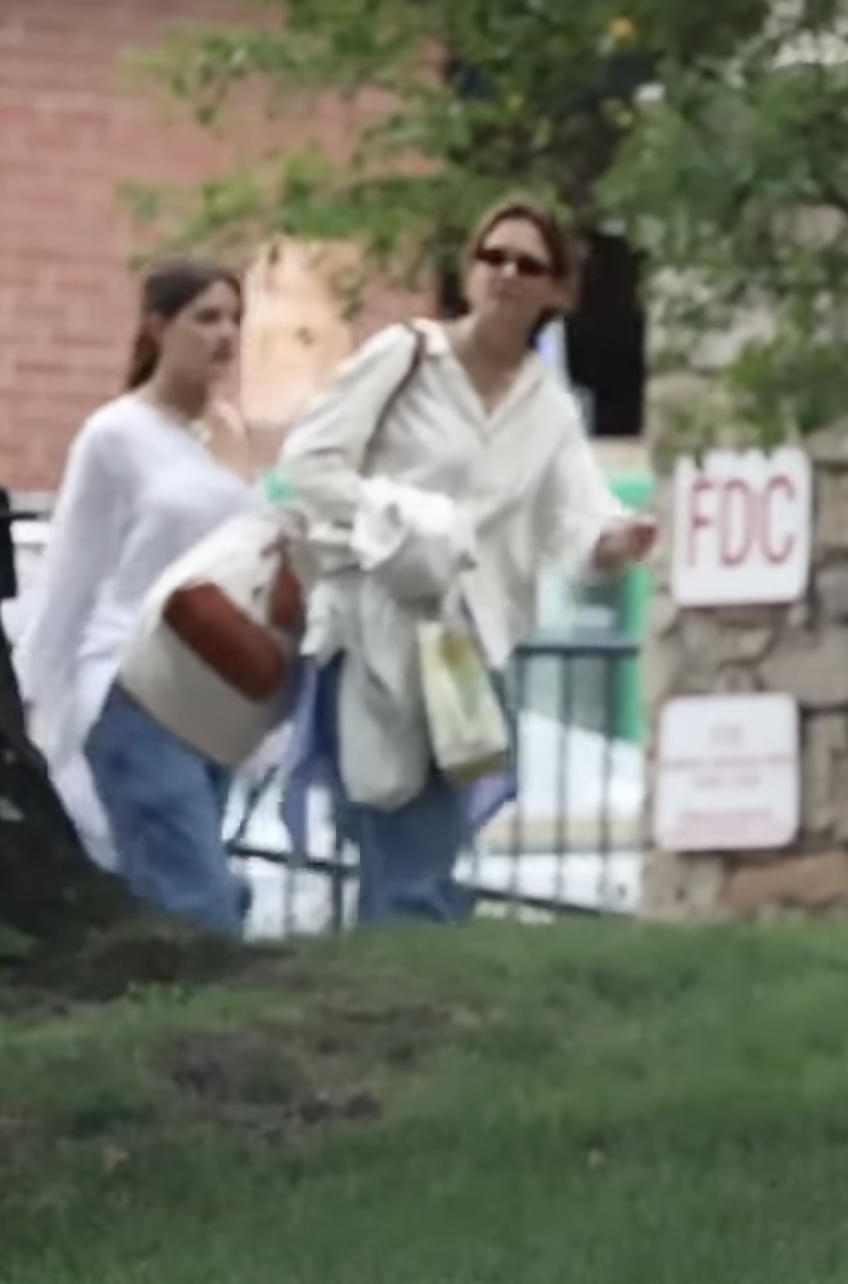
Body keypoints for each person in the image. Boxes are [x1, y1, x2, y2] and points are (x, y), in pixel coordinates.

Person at [276, 193, 657, 928]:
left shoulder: (548, 408)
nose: (506, 274)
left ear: (558, 289)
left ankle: (393, 987)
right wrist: (400, 524)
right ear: (469, 268)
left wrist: (616, 541)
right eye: (493, 256)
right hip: (375, 629)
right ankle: (399, 993)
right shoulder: (409, 357)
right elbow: (310, 463)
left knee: (426, 838)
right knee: (398, 829)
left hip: (464, 651)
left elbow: (577, 520)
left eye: (528, 264)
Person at [15, 258, 258, 935]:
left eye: (235, 319)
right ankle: (200, 1028)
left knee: (175, 886)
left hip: (216, 693)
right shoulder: (115, 435)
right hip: (132, 687)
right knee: (197, 898)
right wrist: (42, 704)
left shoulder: (227, 433)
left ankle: (157, 1012)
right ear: (157, 326)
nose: (225, 335)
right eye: (205, 318)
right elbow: (72, 576)